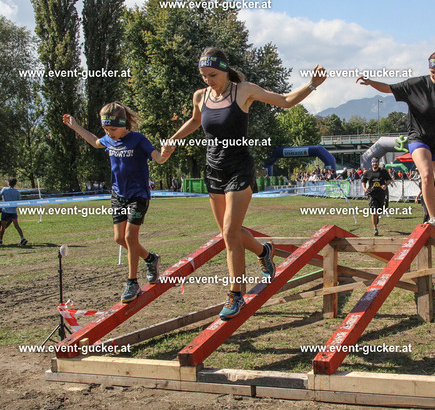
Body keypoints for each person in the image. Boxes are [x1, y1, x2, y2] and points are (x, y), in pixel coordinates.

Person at [162, 47, 326, 320]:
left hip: (239, 170)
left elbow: (285, 101)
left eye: (212, 75)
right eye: (203, 76)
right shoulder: (200, 96)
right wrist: (173, 139)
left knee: (230, 233)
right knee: (231, 234)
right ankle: (264, 251)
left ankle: (235, 294)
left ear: (225, 70)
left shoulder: (244, 91)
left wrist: (311, 85)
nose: (208, 80)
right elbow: (195, 120)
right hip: (213, 171)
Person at [357, 51, 435, 236]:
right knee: (426, 174)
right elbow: (389, 88)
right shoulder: (416, 84)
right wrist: (370, 82)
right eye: (433, 72)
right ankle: (433, 218)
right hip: (418, 137)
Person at [63, 103, 169, 303]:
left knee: (130, 237)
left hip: (138, 196)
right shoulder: (109, 140)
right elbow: (95, 142)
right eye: (105, 129)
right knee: (119, 238)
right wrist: (75, 126)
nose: (109, 133)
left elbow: (159, 158)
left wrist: (165, 154)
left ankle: (132, 282)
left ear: (124, 124)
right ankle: (151, 259)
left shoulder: (138, 139)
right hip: (118, 196)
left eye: (112, 129)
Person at [361, 158, 392, 235]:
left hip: (381, 193)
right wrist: (364, 188)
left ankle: (377, 216)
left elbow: (389, 180)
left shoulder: (383, 171)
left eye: (376, 162)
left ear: (378, 163)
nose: (375, 163)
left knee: (379, 211)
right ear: (371, 164)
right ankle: (375, 229)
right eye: (373, 162)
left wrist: (385, 185)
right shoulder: (368, 172)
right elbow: (363, 181)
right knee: (373, 212)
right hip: (372, 193)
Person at [0, 178, 27, 246]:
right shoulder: (16, 192)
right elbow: (19, 201)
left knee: (3, 227)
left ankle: (0, 240)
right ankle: (22, 238)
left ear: (8, 183)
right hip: (13, 212)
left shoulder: (4, 189)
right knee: (17, 226)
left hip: (5, 211)